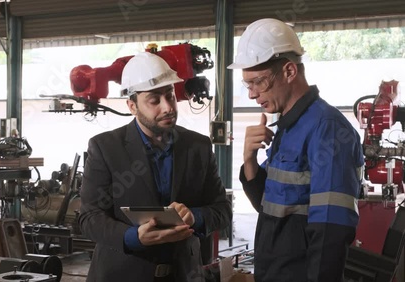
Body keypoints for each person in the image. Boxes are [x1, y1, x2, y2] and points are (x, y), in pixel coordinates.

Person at [228, 18, 364, 282]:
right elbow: (267, 207)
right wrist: (249, 160)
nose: (252, 95)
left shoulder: (328, 129)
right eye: (248, 84)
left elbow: (330, 232)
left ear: (289, 72)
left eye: (258, 82)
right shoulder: (288, 127)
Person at [79, 52, 232, 282]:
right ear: (132, 106)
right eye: (154, 100)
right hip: (122, 274)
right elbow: (89, 217)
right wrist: (133, 237)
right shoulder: (105, 148)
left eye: (170, 96)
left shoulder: (198, 147)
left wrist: (195, 217)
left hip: (184, 273)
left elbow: (222, 210)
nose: (168, 107)